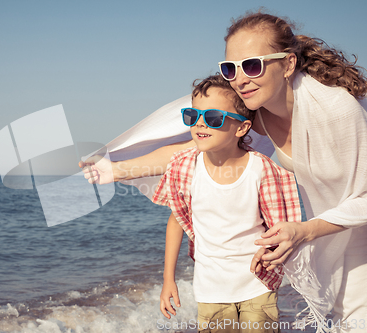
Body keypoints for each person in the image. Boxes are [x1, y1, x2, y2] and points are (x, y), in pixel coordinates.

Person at [80, 11, 367, 332]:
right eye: (230, 68)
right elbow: (200, 148)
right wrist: (116, 170)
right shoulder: (256, 113)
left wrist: (304, 230)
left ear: (287, 64)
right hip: (326, 226)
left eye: (253, 65)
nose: (240, 79)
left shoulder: (337, 110)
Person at [152, 74, 301, 333]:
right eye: (193, 115)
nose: (200, 123)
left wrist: (273, 253)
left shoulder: (261, 169)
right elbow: (176, 221)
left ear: (241, 128)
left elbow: (279, 225)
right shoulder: (185, 168)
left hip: (257, 284)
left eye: (212, 118)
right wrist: (168, 280)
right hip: (211, 291)